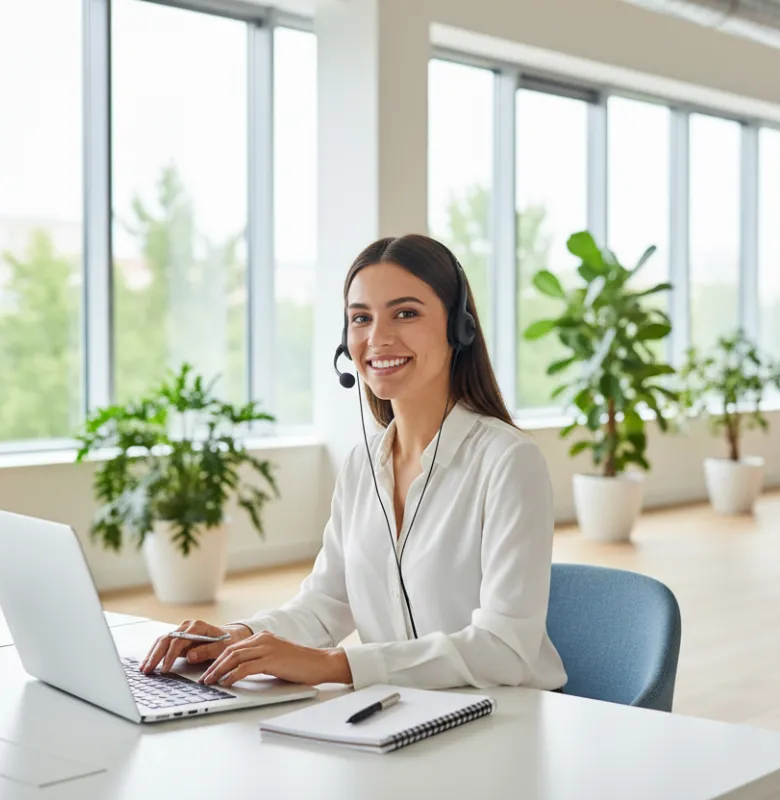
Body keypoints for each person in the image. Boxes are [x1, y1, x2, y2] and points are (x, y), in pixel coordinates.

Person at [141, 234, 566, 692]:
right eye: (360, 318)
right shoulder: (363, 464)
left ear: (457, 328)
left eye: (406, 313)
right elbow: (326, 603)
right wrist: (237, 637)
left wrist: (334, 665)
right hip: (408, 716)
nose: (378, 338)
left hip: (507, 723)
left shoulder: (508, 462)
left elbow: (504, 651)